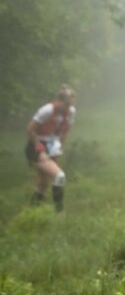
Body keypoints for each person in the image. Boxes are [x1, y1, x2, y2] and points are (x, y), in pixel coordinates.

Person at [25, 85, 77, 213]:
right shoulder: (47, 110)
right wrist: (40, 150)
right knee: (59, 176)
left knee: (43, 182)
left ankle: (31, 212)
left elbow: (65, 132)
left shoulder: (70, 111)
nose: (68, 107)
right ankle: (59, 213)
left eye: (70, 104)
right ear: (58, 100)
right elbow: (30, 129)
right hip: (36, 146)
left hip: (52, 145)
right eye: (66, 104)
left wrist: (58, 147)